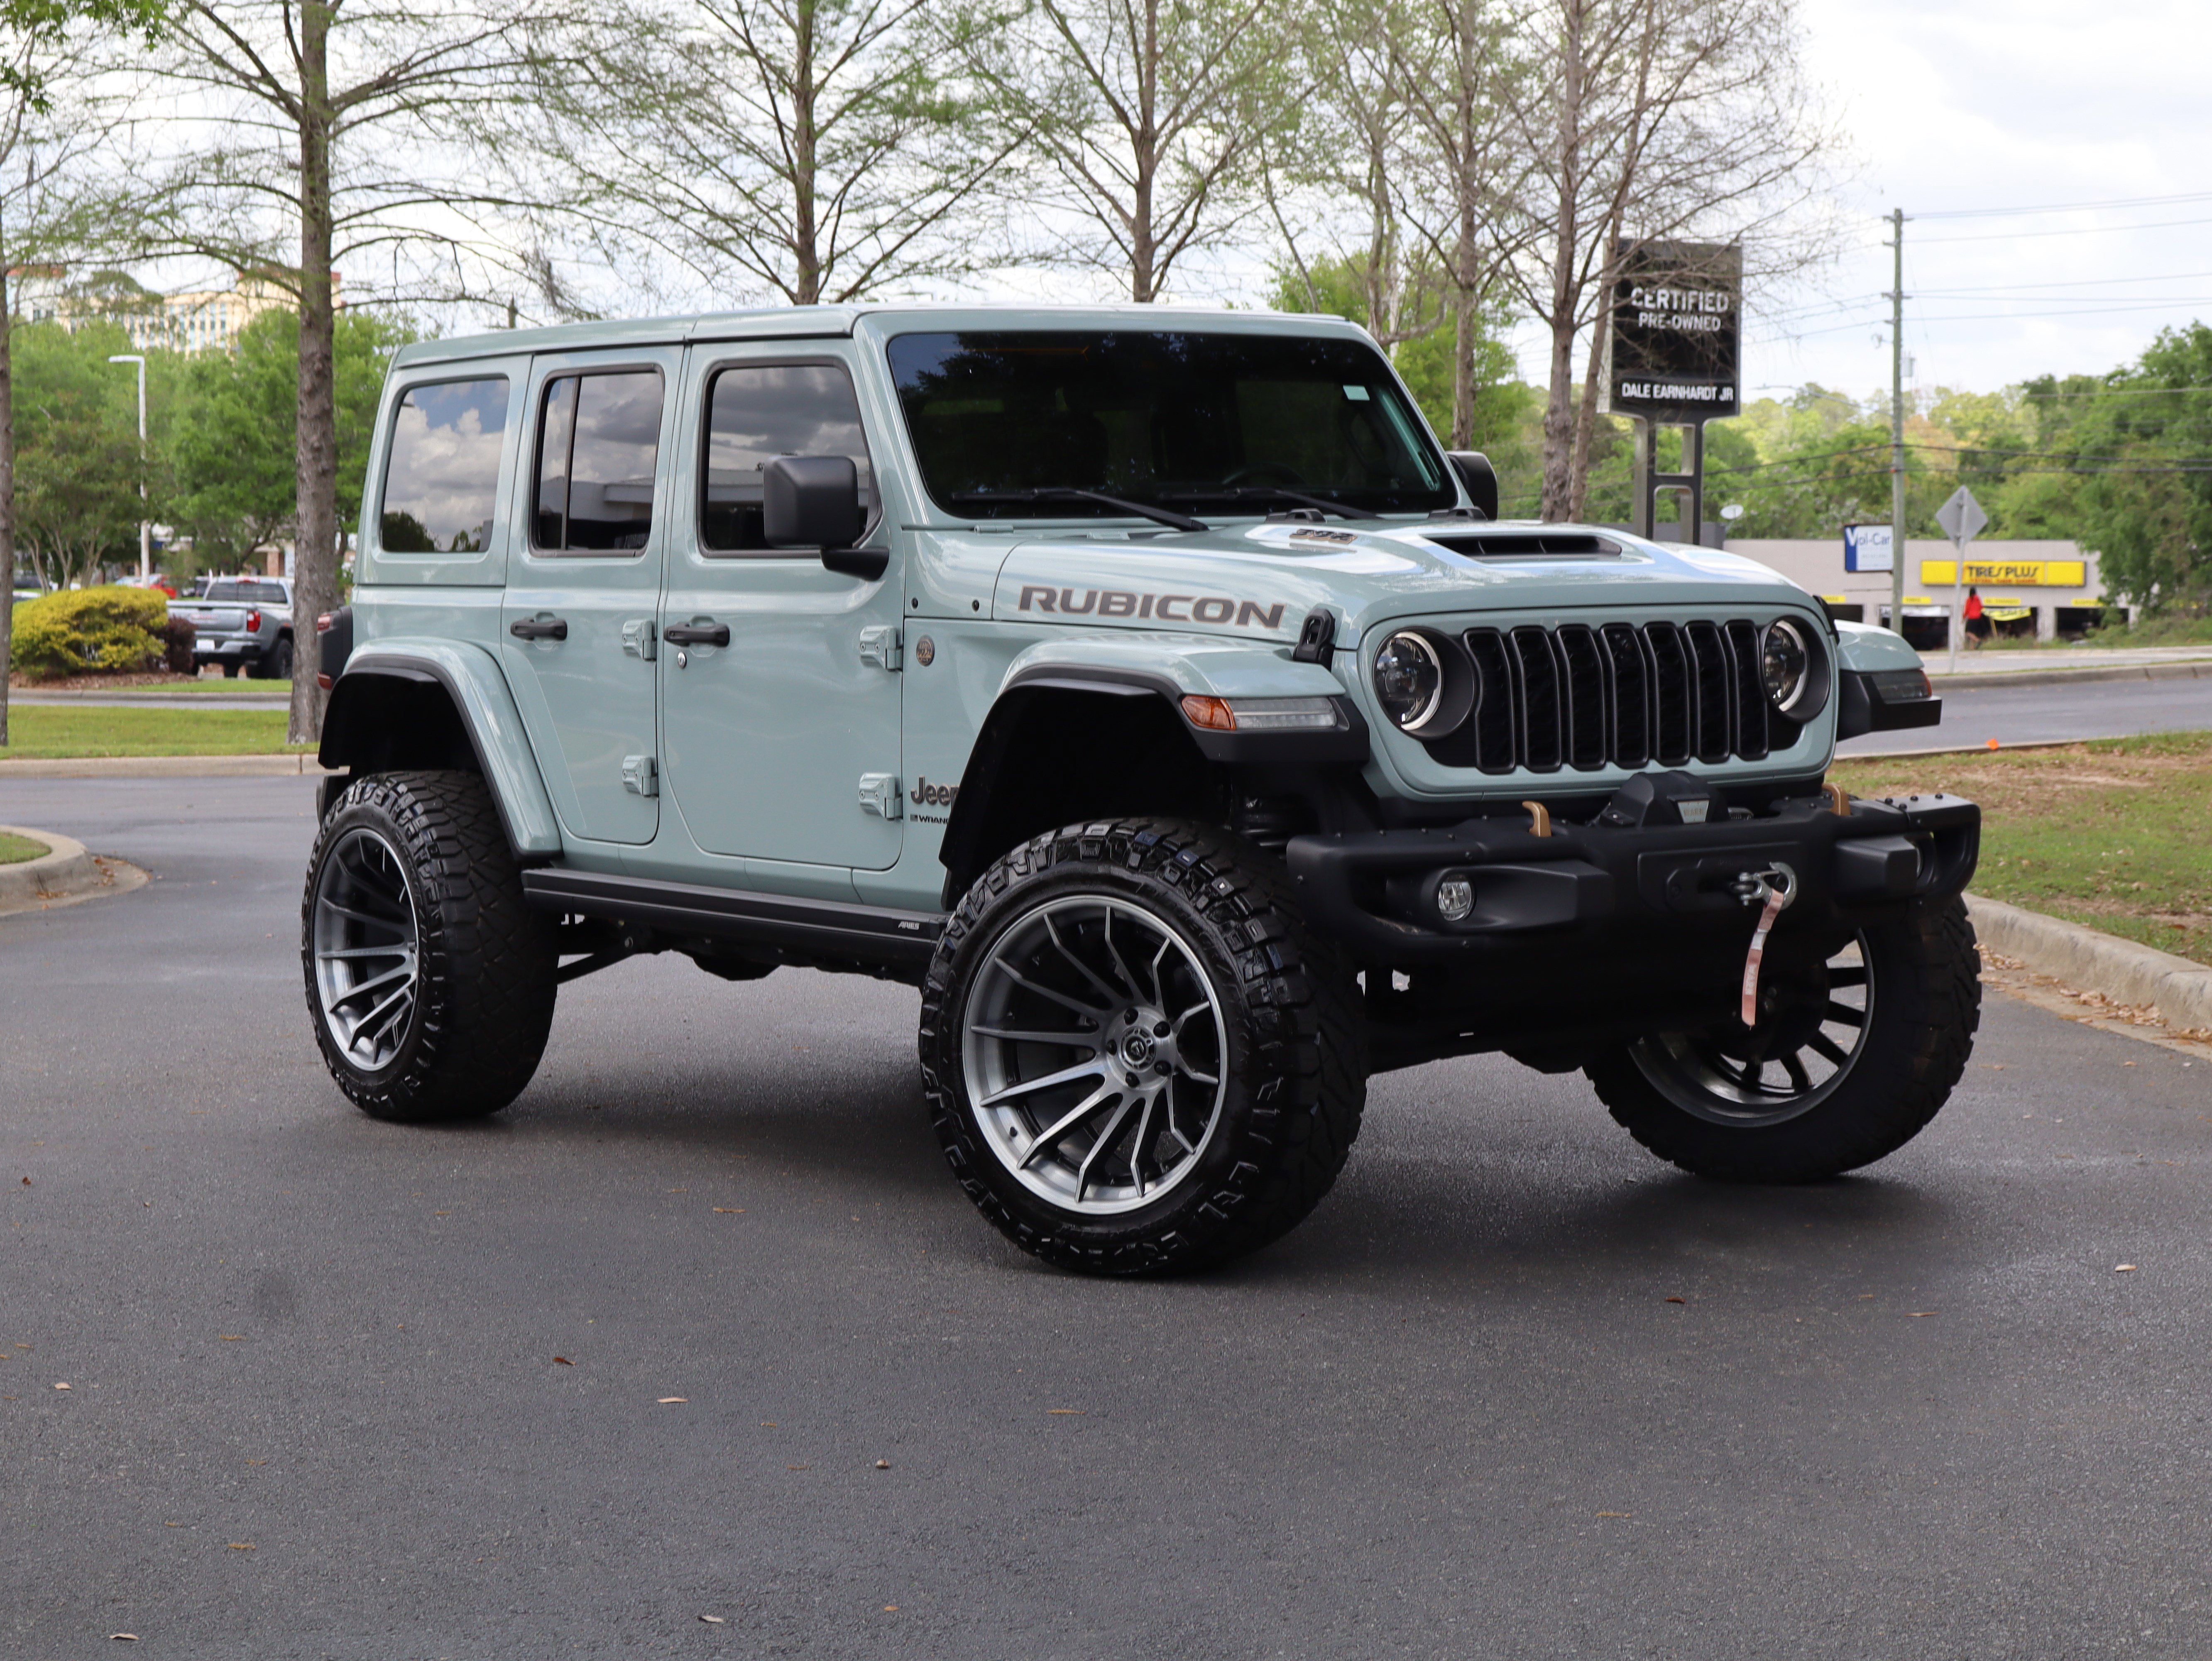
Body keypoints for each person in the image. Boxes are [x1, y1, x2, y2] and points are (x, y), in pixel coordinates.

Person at [1963, 585, 1989, 649]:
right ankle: (1972, 648)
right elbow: (1981, 607)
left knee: (1968, 632)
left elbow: (1967, 610)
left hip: (1972, 617)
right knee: (1973, 633)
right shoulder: (1978, 599)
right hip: (1978, 618)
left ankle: (1978, 641)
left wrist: (1964, 617)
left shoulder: (1969, 600)